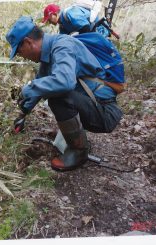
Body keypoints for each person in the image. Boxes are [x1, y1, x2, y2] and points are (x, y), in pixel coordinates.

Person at [6, 16, 123, 171]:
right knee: (54, 92)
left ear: (28, 42)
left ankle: (79, 152)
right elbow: (39, 86)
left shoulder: (63, 46)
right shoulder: (49, 55)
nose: (21, 56)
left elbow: (64, 82)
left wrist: (27, 88)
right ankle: (74, 139)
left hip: (105, 112)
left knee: (58, 98)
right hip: (92, 104)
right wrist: (22, 115)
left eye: (19, 51)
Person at [42, 3, 110, 38]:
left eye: (49, 19)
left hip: (99, 32)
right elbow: (63, 38)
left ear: (54, 14)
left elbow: (85, 27)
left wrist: (76, 36)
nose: (49, 22)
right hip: (92, 36)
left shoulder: (69, 13)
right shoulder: (62, 25)